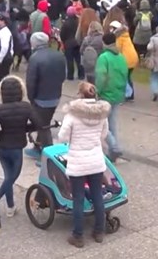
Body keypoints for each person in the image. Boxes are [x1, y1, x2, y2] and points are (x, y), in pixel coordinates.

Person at [57, 82, 110, 247]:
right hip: (96, 161)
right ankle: (99, 231)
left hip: (78, 162)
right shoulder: (102, 114)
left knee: (78, 199)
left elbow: (62, 137)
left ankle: (78, 236)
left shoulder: (72, 114)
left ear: (80, 94)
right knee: (97, 195)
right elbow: (104, 134)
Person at [0, 76, 41, 217]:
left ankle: (10, 206)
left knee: (8, 177)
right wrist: (23, 129)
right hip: (16, 148)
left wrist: (3, 134)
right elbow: (37, 124)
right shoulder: (26, 107)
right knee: (11, 178)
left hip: (2, 148)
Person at [24, 32, 66, 158]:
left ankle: (48, 156)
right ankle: (38, 148)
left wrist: (31, 98)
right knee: (44, 122)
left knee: (43, 126)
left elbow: (31, 81)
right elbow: (63, 76)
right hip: (55, 95)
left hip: (41, 98)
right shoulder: (59, 55)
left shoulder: (35, 58)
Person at [95, 32, 128, 161]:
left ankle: (114, 147)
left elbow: (101, 76)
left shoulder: (103, 58)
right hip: (117, 93)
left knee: (101, 123)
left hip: (106, 94)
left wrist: (97, 91)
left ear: (104, 43)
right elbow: (125, 74)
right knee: (112, 122)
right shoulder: (121, 57)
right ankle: (113, 147)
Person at [111, 21, 138, 101]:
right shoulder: (126, 36)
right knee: (128, 77)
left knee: (124, 78)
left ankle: (127, 94)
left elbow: (117, 50)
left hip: (126, 60)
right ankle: (130, 95)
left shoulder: (119, 38)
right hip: (133, 58)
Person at [61, 6, 84, 81]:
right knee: (79, 59)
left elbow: (62, 34)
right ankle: (81, 74)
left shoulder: (65, 23)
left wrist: (63, 41)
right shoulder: (78, 21)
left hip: (68, 43)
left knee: (69, 60)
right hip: (77, 42)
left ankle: (70, 75)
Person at [0, 14, 14, 83]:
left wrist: (0, 59)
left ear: (3, 21)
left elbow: (4, 47)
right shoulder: (2, 31)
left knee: (3, 78)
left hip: (5, 58)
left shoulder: (5, 32)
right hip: (4, 57)